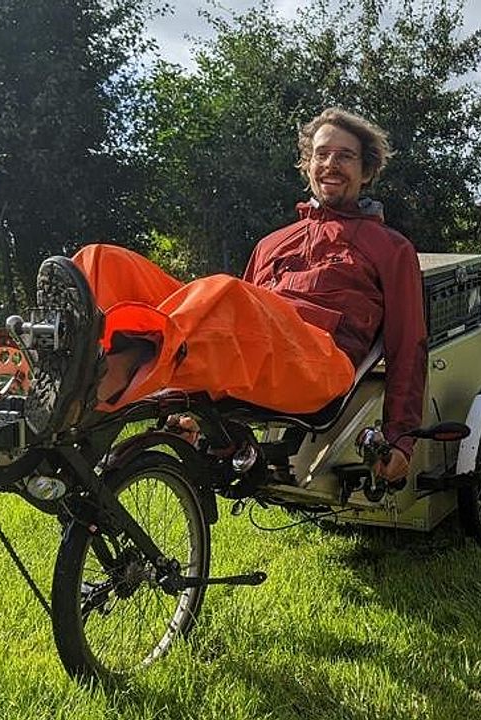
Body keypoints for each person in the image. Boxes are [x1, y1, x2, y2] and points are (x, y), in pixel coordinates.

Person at [26, 108, 426, 482]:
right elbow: (232, 337)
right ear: (307, 165)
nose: (331, 165)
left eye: (345, 156)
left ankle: (104, 379)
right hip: (262, 351)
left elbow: (409, 345)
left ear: (367, 170)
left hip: (320, 364)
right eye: (322, 154)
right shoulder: (273, 243)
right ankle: (45, 371)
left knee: (224, 294)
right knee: (100, 262)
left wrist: (401, 439)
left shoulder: (390, 248)